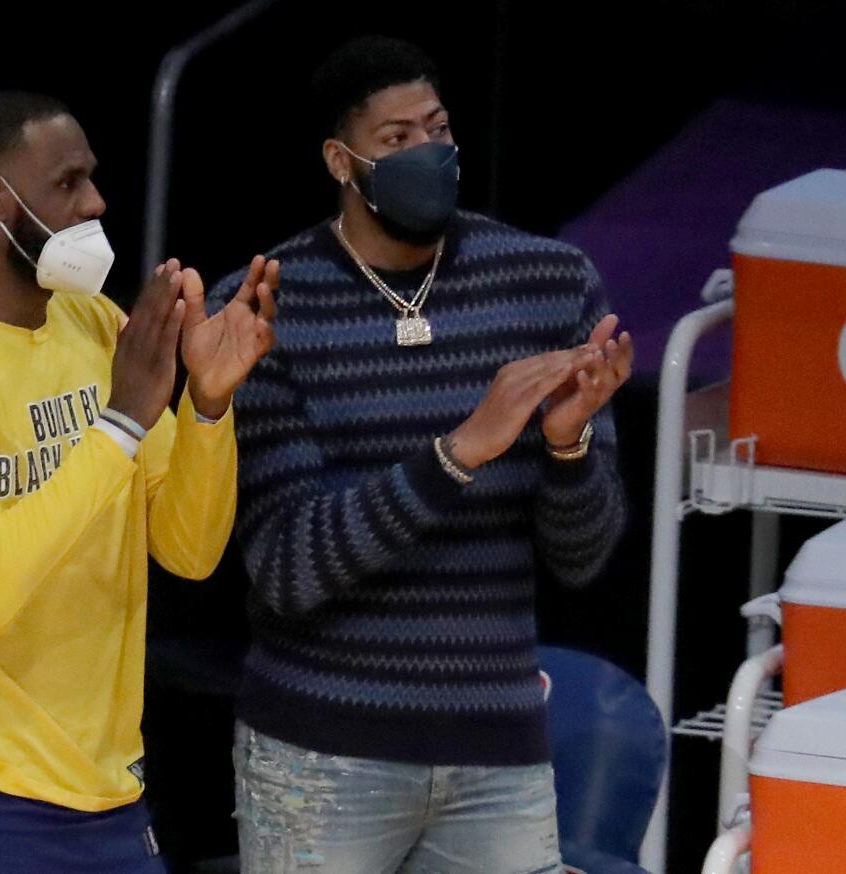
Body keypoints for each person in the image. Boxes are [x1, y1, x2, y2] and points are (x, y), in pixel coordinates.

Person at [207, 37, 632, 874]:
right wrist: (464, 449)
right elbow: (288, 568)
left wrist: (566, 444)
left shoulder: (549, 284)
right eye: (396, 139)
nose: (426, 154)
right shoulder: (263, 307)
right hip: (322, 755)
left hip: (498, 752)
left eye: (436, 130)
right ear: (341, 160)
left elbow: (584, 561)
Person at [0, 91, 277, 873]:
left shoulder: (95, 325)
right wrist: (116, 427)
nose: (96, 201)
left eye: (93, 178)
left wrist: (207, 406)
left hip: (101, 788)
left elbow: (190, 549)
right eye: (68, 183)